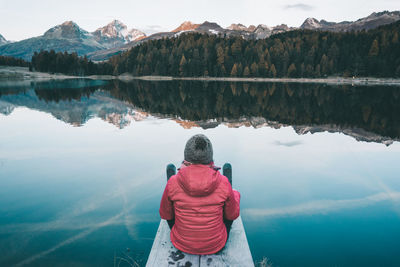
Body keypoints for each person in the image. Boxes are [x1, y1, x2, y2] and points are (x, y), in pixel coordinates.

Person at [159, 134, 241, 255]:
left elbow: (165, 214)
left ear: (186, 159)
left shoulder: (173, 182)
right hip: (216, 244)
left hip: (181, 243)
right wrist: (236, 195)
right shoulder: (223, 182)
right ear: (210, 158)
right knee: (233, 197)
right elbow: (232, 215)